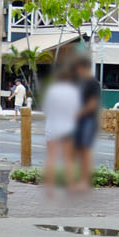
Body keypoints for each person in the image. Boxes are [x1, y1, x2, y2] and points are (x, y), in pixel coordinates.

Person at [41, 61, 80, 189]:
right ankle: (70, 184)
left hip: (52, 127)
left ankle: (49, 185)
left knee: (51, 157)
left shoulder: (51, 92)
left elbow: (46, 109)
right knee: (68, 158)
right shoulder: (74, 92)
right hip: (67, 128)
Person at [72, 55, 101, 191]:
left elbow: (92, 104)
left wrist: (78, 113)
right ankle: (79, 180)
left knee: (85, 150)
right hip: (80, 120)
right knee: (78, 150)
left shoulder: (92, 83)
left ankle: (85, 181)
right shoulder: (80, 83)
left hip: (88, 120)